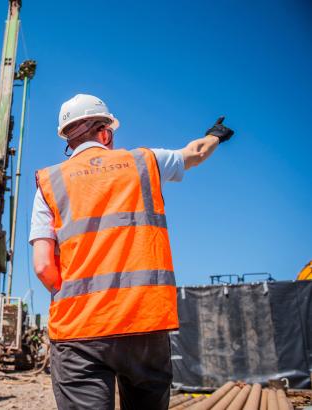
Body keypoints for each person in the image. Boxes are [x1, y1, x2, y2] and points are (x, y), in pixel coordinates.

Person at [29, 94, 234, 410]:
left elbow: (43, 266)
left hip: (80, 328)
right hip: (144, 322)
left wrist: (71, 295)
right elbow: (195, 154)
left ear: (68, 138)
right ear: (106, 133)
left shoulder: (49, 182)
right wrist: (214, 136)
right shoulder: (144, 161)